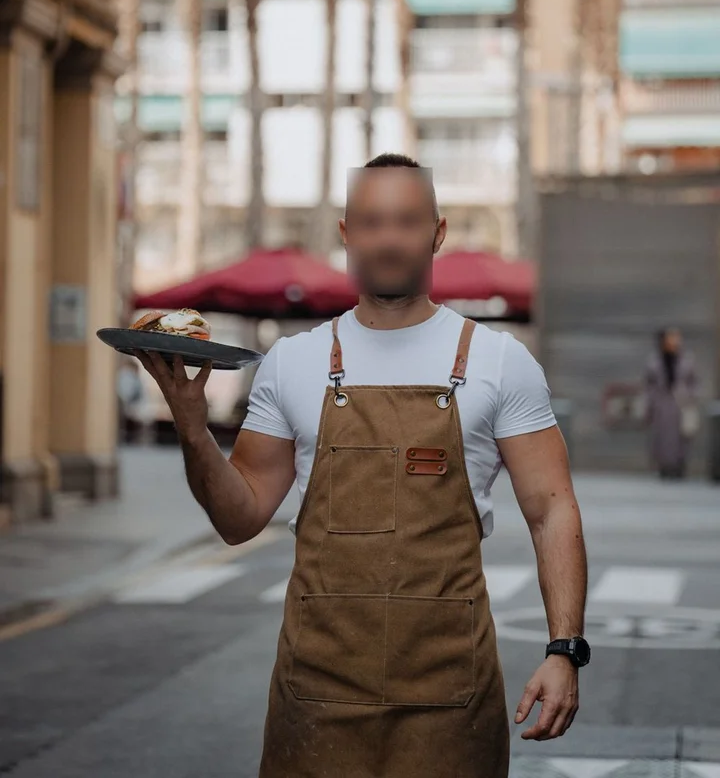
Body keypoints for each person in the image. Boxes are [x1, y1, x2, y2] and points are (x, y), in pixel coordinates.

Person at [134, 153, 589, 778]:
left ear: (437, 232)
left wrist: (565, 649)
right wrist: (190, 425)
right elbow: (239, 518)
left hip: (449, 694)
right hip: (316, 689)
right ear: (347, 234)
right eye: (372, 222)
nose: (389, 239)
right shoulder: (293, 362)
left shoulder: (499, 362)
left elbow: (552, 508)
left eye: (406, 221)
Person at [645, 327, 699, 480]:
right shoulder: (654, 361)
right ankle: (663, 467)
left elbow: (694, 383)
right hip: (661, 405)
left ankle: (679, 467)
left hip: (680, 403)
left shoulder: (687, 360)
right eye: (671, 338)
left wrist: (689, 396)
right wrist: (651, 402)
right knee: (661, 438)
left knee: (681, 438)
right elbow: (649, 384)